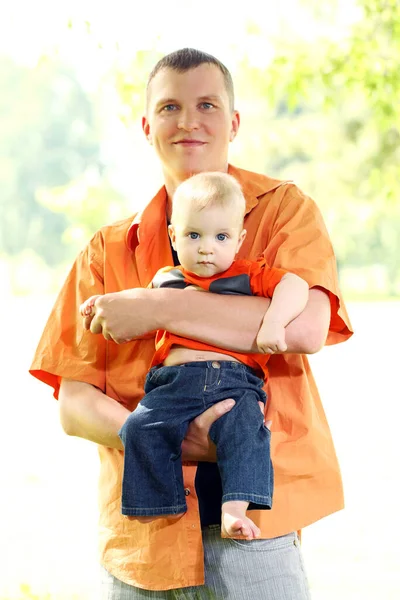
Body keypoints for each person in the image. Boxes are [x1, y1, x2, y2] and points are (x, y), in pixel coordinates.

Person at [30, 47, 353, 599]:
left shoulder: (283, 211)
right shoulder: (105, 251)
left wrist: (156, 307)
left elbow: (302, 329)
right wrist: (163, 436)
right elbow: (75, 403)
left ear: (232, 122)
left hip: (256, 528)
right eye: (169, 107)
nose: (188, 121)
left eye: (206, 104)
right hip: (144, 537)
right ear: (146, 126)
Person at [80, 171, 309, 540]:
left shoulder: (248, 275)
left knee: (248, 434)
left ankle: (235, 510)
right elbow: (131, 307)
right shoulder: (164, 280)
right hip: (173, 384)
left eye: (221, 237)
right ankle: (154, 505)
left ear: (240, 240)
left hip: (235, 383)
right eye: (193, 235)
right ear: (174, 236)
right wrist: (98, 305)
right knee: (139, 427)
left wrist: (274, 322)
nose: (207, 248)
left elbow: (296, 286)